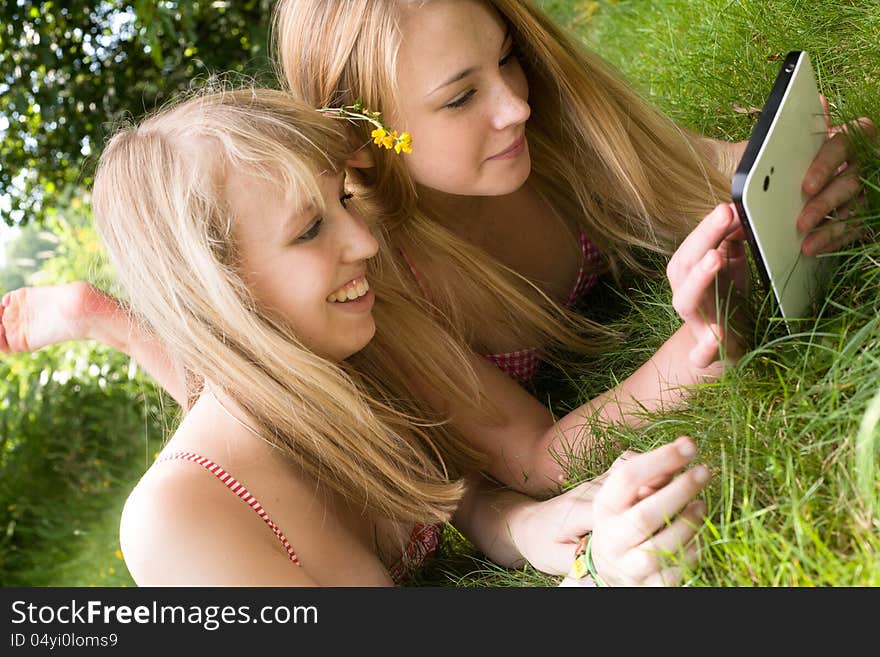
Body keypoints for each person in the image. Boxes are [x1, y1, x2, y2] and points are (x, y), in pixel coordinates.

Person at [2, 0, 871, 500]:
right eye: (460, 98)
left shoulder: (552, 126)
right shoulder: (371, 277)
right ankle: (105, 319)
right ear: (368, 135)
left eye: (506, 59)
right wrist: (698, 341)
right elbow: (538, 458)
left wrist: (810, 172)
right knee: (220, 381)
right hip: (273, 363)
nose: (514, 106)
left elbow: (715, 171)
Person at [0, 87, 710, 586]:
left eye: (342, 201)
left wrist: (526, 526)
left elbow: (462, 496)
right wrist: (597, 574)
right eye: (310, 229)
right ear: (222, 294)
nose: (366, 241)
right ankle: (105, 319)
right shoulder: (175, 521)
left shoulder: (345, 348)